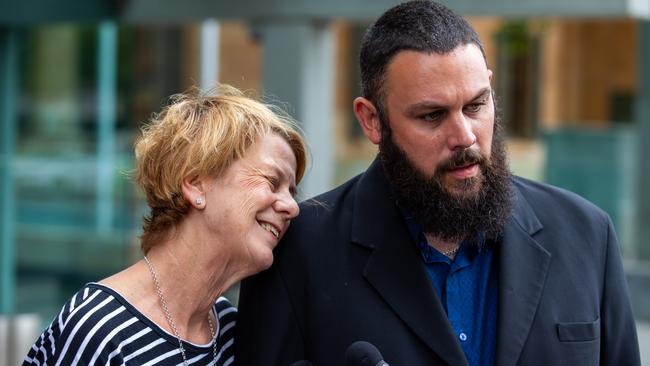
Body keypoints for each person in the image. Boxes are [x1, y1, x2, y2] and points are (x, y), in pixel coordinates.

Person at [235, 1, 641, 365]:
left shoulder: (587, 235)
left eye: (477, 105)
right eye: (432, 115)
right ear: (371, 120)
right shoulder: (297, 252)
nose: (464, 136)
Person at [23, 84, 306, 366]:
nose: (292, 207)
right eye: (272, 181)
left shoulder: (230, 329)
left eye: (292, 192)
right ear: (196, 185)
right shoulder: (100, 332)